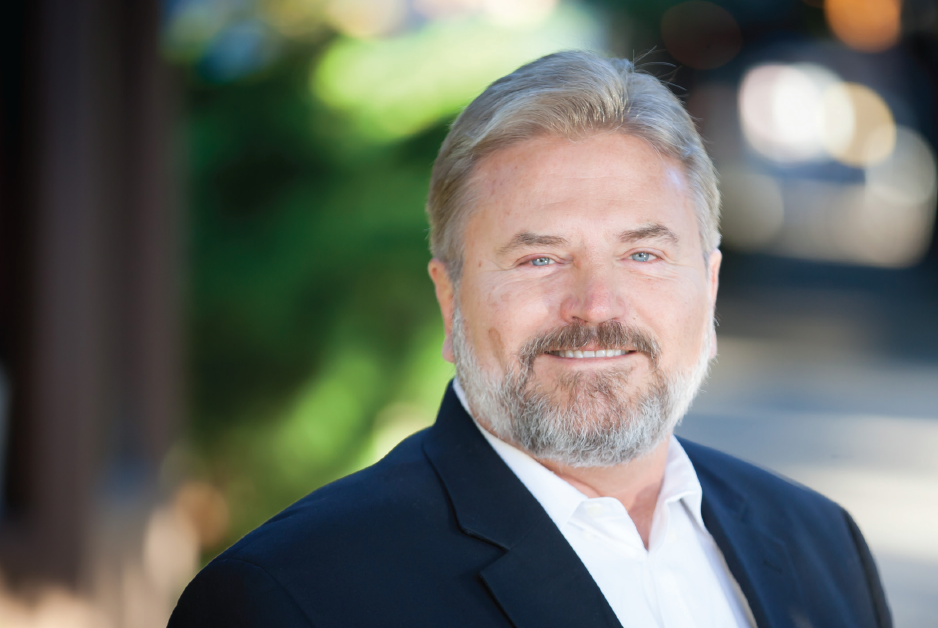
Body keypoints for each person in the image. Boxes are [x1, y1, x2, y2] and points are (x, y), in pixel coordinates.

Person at [168, 50, 892, 628]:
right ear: (449, 299)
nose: (595, 304)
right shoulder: (289, 599)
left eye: (643, 254)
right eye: (539, 258)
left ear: (708, 286)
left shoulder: (822, 545)